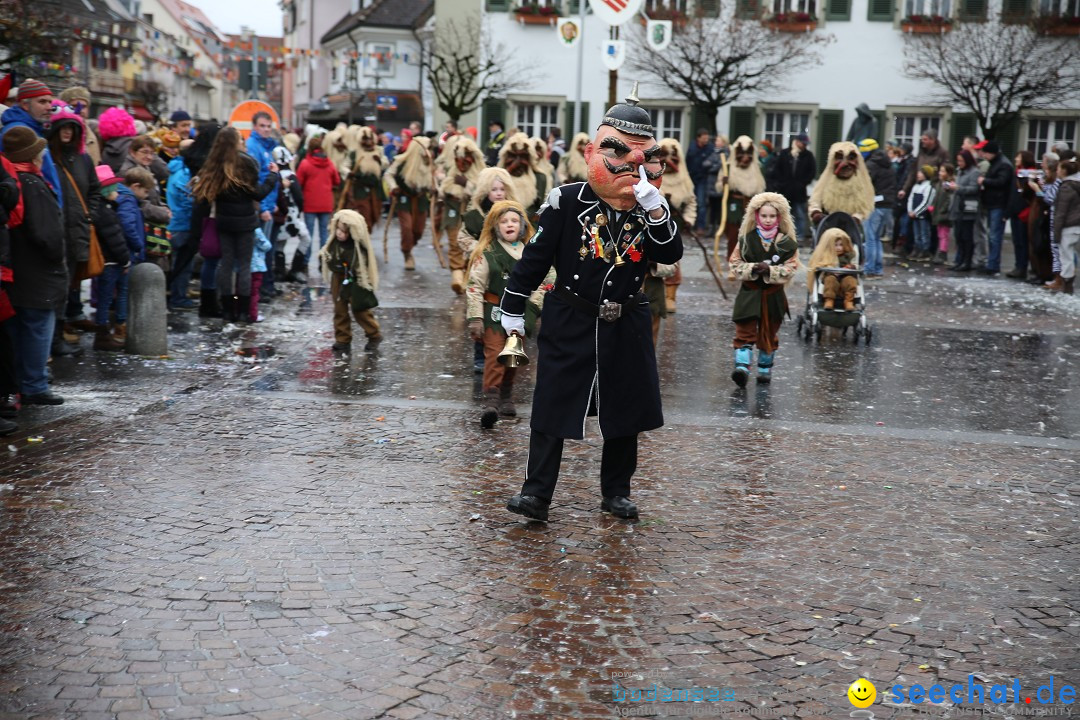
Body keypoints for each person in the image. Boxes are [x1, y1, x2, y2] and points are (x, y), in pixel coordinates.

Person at [499, 88, 683, 523]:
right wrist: (512, 306)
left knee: (625, 411)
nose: (631, 165)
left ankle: (616, 492)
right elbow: (535, 258)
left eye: (644, 156)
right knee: (552, 407)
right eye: (617, 151)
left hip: (628, 316)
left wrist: (657, 211)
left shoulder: (650, 204)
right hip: (572, 314)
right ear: (592, 152)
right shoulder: (567, 200)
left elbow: (671, 254)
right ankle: (536, 494)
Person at [466, 200, 549, 428]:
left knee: (513, 355)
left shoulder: (530, 253)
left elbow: (545, 280)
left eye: (514, 220)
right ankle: (490, 400)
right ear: (495, 226)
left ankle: (506, 396)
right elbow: (474, 286)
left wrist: (533, 307)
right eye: (504, 221)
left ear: (522, 225)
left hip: (520, 312)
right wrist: (475, 317)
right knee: (494, 353)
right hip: (493, 313)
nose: (509, 225)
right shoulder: (486, 253)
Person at [2, 127, 67, 405]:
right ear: (35, 157)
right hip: (38, 271)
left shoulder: (13, 181)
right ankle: (34, 384)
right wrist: (56, 256)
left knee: (19, 329)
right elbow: (47, 234)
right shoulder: (33, 184)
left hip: (18, 270)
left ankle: (20, 383)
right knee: (38, 327)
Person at [189, 127, 280, 322]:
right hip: (246, 222)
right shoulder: (245, 164)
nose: (243, 143)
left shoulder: (215, 165)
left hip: (223, 221)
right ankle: (244, 312)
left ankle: (228, 311)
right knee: (245, 266)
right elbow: (258, 193)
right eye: (240, 139)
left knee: (226, 265)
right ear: (235, 143)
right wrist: (273, 176)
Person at [729, 192, 799, 387]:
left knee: (769, 332)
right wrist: (751, 268)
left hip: (773, 294)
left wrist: (771, 270)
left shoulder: (786, 242)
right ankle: (741, 367)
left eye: (772, 216)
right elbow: (734, 264)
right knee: (744, 330)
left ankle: (764, 369)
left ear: (779, 217)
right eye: (764, 215)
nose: (768, 220)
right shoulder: (745, 240)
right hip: (749, 292)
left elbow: (792, 268)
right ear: (757, 216)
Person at [47, 104, 100, 352]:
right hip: (55, 231)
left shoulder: (83, 160)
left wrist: (90, 217)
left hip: (77, 230)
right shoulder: (48, 156)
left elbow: (94, 191)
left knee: (71, 284)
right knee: (57, 284)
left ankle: (61, 332)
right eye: (63, 127)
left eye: (72, 127)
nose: (67, 132)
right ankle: (55, 338)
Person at [460, 166, 516, 375]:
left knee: (507, 311)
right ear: (485, 191)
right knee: (482, 313)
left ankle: (505, 349)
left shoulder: (513, 213)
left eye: (502, 189)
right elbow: (462, 238)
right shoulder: (474, 216)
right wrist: (478, 249)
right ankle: (479, 354)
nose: (499, 193)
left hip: (507, 272)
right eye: (494, 189)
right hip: (482, 272)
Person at [319, 209, 381, 352]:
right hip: (338, 278)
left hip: (354, 280)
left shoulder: (357, 249)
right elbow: (327, 253)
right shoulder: (333, 242)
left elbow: (361, 267)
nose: (340, 234)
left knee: (360, 310)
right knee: (339, 309)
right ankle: (343, 339)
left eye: (344, 232)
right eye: (338, 230)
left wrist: (362, 283)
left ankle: (374, 334)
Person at [93, 166, 141, 350]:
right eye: (112, 188)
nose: (117, 192)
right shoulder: (106, 212)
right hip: (113, 261)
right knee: (109, 297)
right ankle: (103, 334)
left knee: (107, 297)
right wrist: (126, 260)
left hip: (109, 260)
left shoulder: (105, 209)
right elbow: (116, 239)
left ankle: (106, 331)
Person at [0, 79, 63, 208]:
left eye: (50, 102)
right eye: (42, 102)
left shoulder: (35, 129)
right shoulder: (18, 132)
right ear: (25, 105)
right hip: (35, 209)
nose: (49, 107)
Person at [438, 136, 485, 295]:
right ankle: (457, 276)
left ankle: (467, 276)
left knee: (469, 244)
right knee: (453, 242)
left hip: (471, 215)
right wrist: (442, 193)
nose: (462, 162)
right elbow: (444, 188)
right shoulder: (452, 171)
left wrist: (467, 185)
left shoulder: (481, 174)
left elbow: (482, 194)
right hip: (452, 211)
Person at [383, 136, 435, 270]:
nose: (429, 151)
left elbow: (433, 181)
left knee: (418, 231)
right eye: (426, 148)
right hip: (404, 199)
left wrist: (435, 190)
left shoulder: (428, 163)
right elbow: (388, 174)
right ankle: (407, 254)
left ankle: (410, 245)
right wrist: (393, 187)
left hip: (421, 199)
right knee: (407, 228)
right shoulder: (401, 161)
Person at [246, 112, 281, 298]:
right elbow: (257, 180)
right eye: (262, 126)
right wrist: (264, 207)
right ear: (254, 127)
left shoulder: (269, 146)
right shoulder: (253, 146)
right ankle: (261, 289)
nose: (266, 129)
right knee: (261, 249)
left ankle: (267, 285)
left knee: (268, 247)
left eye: (269, 126)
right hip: (261, 207)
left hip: (268, 202)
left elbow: (271, 178)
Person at [297, 135, 341, 268]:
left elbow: (298, 183)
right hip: (326, 204)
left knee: (308, 234)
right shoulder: (329, 163)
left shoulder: (305, 164)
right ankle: (324, 261)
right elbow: (337, 181)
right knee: (324, 234)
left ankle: (305, 262)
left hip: (310, 204)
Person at [859, 138, 896, 278]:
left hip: (874, 205)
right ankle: (878, 269)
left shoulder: (871, 164)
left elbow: (865, 185)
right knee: (876, 238)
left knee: (869, 239)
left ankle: (869, 269)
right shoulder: (887, 162)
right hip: (887, 205)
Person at [769, 132, 815, 242]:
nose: (804, 145)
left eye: (805, 144)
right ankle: (782, 236)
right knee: (783, 214)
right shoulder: (785, 153)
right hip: (785, 190)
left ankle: (799, 237)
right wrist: (781, 183)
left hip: (799, 191)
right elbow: (777, 170)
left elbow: (812, 172)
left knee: (799, 215)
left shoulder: (808, 156)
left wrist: (802, 183)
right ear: (797, 142)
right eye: (803, 143)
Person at [977, 141, 1014, 276]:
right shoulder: (997, 163)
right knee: (992, 235)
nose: (984, 155)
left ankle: (993, 265)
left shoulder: (1003, 164)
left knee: (994, 236)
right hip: (993, 203)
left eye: (986, 153)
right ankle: (992, 263)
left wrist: (984, 181)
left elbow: (1001, 182)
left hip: (998, 204)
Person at [497, 133, 550, 220]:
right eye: (513, 156)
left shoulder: (539, 178)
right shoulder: (497, 178)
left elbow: (538, 209)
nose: (517, 163)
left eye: (523, 156)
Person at [808, 228, 858, 311]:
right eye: (836, 245)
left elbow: (855, 265)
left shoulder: (849, 255)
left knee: (851, 281)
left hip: (845, 276)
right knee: (830, 281)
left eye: (841, 245)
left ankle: (848, 301)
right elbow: (819, 265)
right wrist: (829, 268)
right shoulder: (826, 255)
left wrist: (848, 267)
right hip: (831, 276)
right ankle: (829, 300)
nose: (838, 248)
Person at [1006, 150, 1038, 279]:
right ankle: (1018, 265)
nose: (1016, 159)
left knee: (1023, 241)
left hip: (1023, 211)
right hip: (1015, 210)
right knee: (1017, 240)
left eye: (1018, 157)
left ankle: (1023, 267)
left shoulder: (1030, 174)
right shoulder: (1017, 173)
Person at [1051, 158, 1080, 295]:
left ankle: (1067, 286)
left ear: (1064, 171)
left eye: (1058, 168)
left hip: (1069, 226)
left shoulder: (1066, 187)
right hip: (1077, 225)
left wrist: (1056, 233)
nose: (1057, 171)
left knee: (1066, 256)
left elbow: (1061, 213)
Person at [948, 150, 980, 272]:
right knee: (958, 236)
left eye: (961, 160)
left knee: (967, 236)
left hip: (968, 208)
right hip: (957, 207)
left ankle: (967, 261)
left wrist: (958, 188)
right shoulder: (960, 171)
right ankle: (959, 260)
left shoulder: (974, 172)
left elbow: (974, 189)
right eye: (958, 161)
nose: (959, 163)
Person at [57, 87, 101, 164]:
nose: (80, 110)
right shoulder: (58, 134)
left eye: (84, 106)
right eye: (74, 106)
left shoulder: (93, 135)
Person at [685, 128, 716, 237]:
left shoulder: (710, 148)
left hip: (703, 179)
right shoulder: (692, 147)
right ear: (698, 138)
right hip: (691, 178)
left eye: (707, 138)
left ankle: (700, 227)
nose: (706, 140)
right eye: (704, 138)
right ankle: (689, 225)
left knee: (702, 203)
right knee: (690, 201)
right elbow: (687, 161)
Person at [907, 165, 936, 261]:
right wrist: (910, 210)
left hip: (923, 215)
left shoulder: (929, 187)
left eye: (921, 173)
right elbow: (910, 198)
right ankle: (917, 248)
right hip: (914, 215)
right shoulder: (916, 186)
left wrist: (916, 212)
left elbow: (926, 202)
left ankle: (925, 250)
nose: (918, 174)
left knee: (924, 233)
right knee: (917, 234)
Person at [932, 163, 956, 265]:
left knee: (944, 234)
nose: (940, 173)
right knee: (940, 233)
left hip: (944, 212)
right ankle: (940, 251)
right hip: (938, 211)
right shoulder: (940, 183)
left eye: (943, 171)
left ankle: (943, 253)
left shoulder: (948, 184)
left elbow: (949, 198)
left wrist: (944, 209)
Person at [248, 228, 272, 322]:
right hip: (257, 266)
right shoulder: (256, 230)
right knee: (254, 292)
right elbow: (266, 246)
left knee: (242, 290)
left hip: (242, 266)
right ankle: (253, 314)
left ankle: (241, 311)